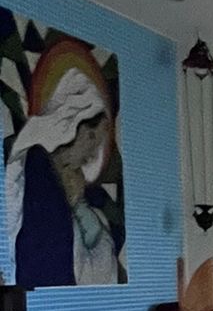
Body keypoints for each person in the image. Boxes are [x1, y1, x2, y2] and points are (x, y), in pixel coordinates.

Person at [4, 40, 124, 287]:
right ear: (69, 122)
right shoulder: (29, 169)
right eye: (91, 137)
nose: (93, 153)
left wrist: (78, 206)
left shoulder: (83, 197)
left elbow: (101, 269)